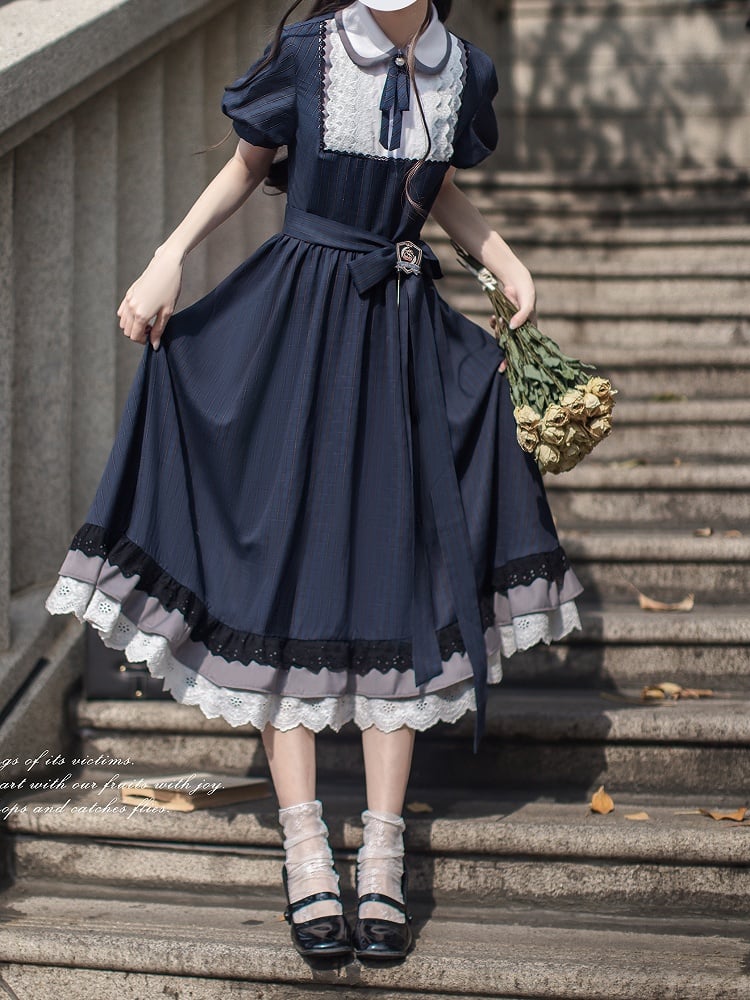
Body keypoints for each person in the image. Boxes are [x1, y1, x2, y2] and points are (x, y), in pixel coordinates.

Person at [45, 0, 583, 963]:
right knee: (280, 566)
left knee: (400, 569)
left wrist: (498, 254)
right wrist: (168, 258)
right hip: (295, 328)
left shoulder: (463, 69)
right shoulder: (311, 51)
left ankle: (382, 852)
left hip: (403, 336)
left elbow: (437, 187)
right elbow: (247, 166)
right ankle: (304, 845)